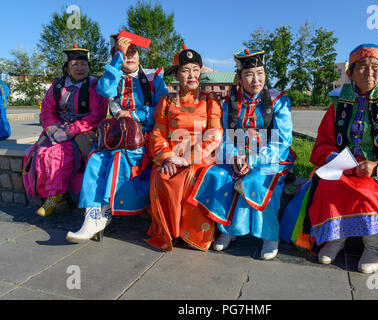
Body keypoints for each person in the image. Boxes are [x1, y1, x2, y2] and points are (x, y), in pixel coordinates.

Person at [280, 44, 378, 273]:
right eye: (362, 67)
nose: (370, 72)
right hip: (343, 167)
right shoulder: (338, 104)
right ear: (350, 73)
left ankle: (373, 246)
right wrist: (335, 157)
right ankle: (335, 240)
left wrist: (377, 165)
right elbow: (322, 144)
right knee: (327, 185)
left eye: (375, 67)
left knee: (368, 191)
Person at [188, 49, 295, 260]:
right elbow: (225, 136)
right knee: (217, 175)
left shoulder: (278, 101)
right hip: (237, 156)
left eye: (260, 73)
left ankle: (270, 236)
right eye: (249, 74)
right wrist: (235, 156)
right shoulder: (229, 103)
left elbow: (282, 141)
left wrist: (253, 159)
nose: (256, 79)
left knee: (258, 178)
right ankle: (229, 230)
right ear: (239, 76)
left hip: (270, 157)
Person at [66, 33, 168, 242]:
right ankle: (92, 218)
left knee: (120, 159)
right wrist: (117, 57)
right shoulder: (113, 77)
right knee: (96, 160)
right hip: (115, 136)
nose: (130, 57)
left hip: (144, 135)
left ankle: (104, 214)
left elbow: (163, 110)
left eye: (133, 52)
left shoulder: (153, 78)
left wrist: (135, 115)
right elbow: (104, 89)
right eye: (124, 53)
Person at [145, 46, 223, 251]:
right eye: (186, 70)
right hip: (172, 153)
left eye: (196, 70)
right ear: (177, 75)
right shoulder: (166, 101)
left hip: (201, 155)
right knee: (162, 177)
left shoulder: (210, 100)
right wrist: (167, 157)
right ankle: (171, 232)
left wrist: (190, 157)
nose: (192, 75)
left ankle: (195, 235)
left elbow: (215, 134)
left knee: (192, 176)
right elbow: (158, 133)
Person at [22, 45, 108, 216]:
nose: (80, 68)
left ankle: (55, 196)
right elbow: (47, 110)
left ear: (89, 66)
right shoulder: (58, 84)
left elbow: (97, 114)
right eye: (75, 64)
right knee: (38, 153)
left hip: (83, 131)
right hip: (57, 130)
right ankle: (46, 194)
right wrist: (53, 128)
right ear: (67, 67)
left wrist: (71, 130)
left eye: (83, 64)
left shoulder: (94, 86)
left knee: (57, 154)